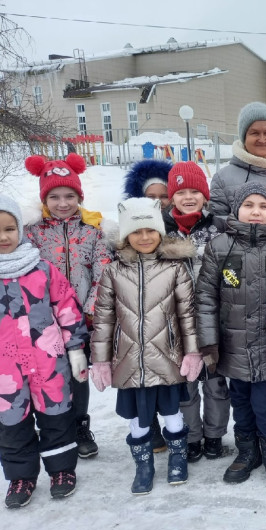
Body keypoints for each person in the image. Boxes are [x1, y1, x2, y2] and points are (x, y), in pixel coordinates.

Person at [0, 192, 89, 508]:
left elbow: (66, 307)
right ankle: (21, 476)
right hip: (1, 371)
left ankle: (62, 470)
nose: (3, 236)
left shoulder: (41, 268)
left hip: (48, 362)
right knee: (12, 425)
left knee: (57, 418)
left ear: (19, 229)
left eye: (9, 228)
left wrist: (76, 348)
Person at [90, 197, 203, 494]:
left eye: (150, 231)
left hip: (167, 357)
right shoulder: (113, 272)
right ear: (126, 235)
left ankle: (178, 456)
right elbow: (103, 319)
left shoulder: (175, 269)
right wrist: (101, 360)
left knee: (172, 412)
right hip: (129, 360)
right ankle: (143, 465)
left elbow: (187, 314)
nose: (144, 237)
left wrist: (192, 352)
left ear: (159, 232)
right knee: (138, 418)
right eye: (136, 232)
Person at [196, 182, 266, 487]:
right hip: (233, 346)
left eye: (263, 206)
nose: (256, 212)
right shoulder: (220, 247)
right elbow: (206, 297)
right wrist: (209, 342)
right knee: (240, 402)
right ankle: (247, 451)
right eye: (249, 205)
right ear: (237, 209)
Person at [24, 153, 112, 460]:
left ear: (79, 197)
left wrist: (90, 306)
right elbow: (25, 272)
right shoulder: (32, 232)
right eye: (55, 196)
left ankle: (78, 426)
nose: (63, 203)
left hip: (81, 320)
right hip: (43, 321)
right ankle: (51, 429)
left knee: (78, 375)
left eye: (70, 196)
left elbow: (103, 270)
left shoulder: (91, 231)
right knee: (47, 374)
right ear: (44, 198)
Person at [162, 161, 229, 463]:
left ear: (205, 195)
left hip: (215, 318)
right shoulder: (159, 230)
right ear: (171, 197)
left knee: (215, 383)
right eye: (181, 192)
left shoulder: (219, 226)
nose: (188, 197)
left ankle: (214, 435)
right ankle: (192, 436)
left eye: (195, 191)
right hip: (176, 324)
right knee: (185, 385)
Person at [122, 157, 174, 452]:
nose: (158, 202)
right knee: (142, 378)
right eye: (151, 197)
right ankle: (149, 427)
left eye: (163, 196)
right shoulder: (134, 233)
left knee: (167, 379)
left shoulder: (173, 230)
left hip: (167, 318)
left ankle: (176, 427)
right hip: (137, 320)